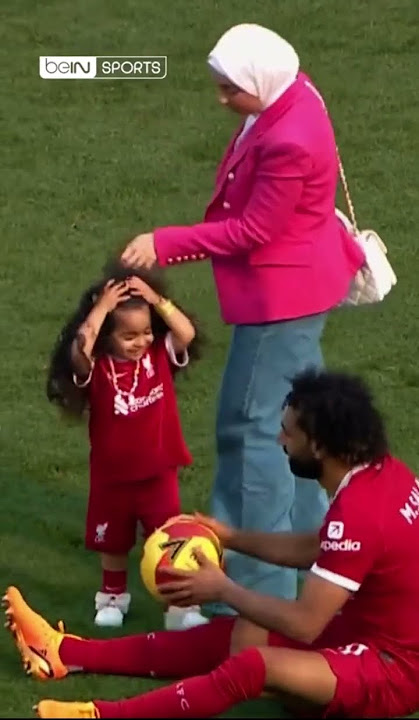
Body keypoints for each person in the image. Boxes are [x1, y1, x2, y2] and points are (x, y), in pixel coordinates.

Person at [119, 23, 366, 612]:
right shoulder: (296, 91)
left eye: (231, 90)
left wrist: (165, 242)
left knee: (251, 434)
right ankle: (324, 563)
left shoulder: (291, 140)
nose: (222, 100)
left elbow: (255, 228)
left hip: (280, 304)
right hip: (304, 289)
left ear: (260, 80)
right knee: (309, 430)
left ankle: (248, 591)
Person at [6, 369, 419, 719]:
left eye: (288, 433)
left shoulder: (359, 514)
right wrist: (231, 537)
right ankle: (64, 652)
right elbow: (316, 547)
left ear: (320, 446)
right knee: (245, 630)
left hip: (393, 669)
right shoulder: (384, 475)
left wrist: (223, 590)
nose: (279, 441)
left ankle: (101, 714)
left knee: (255, 665)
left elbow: (305, 623)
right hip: (371, 635)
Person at [46, 261, 208, 631]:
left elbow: (185, 332)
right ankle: (112, 598)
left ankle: (180, 608)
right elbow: (79, 350)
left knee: (170, 542)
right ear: (108, 336)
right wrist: (100, 309)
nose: (141, 342)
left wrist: (155, 298)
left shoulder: (157, 357)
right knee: (113, 545)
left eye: (146, 332)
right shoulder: (98, 368)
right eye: (129, 336)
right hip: (112, 478)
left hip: (158, 472)